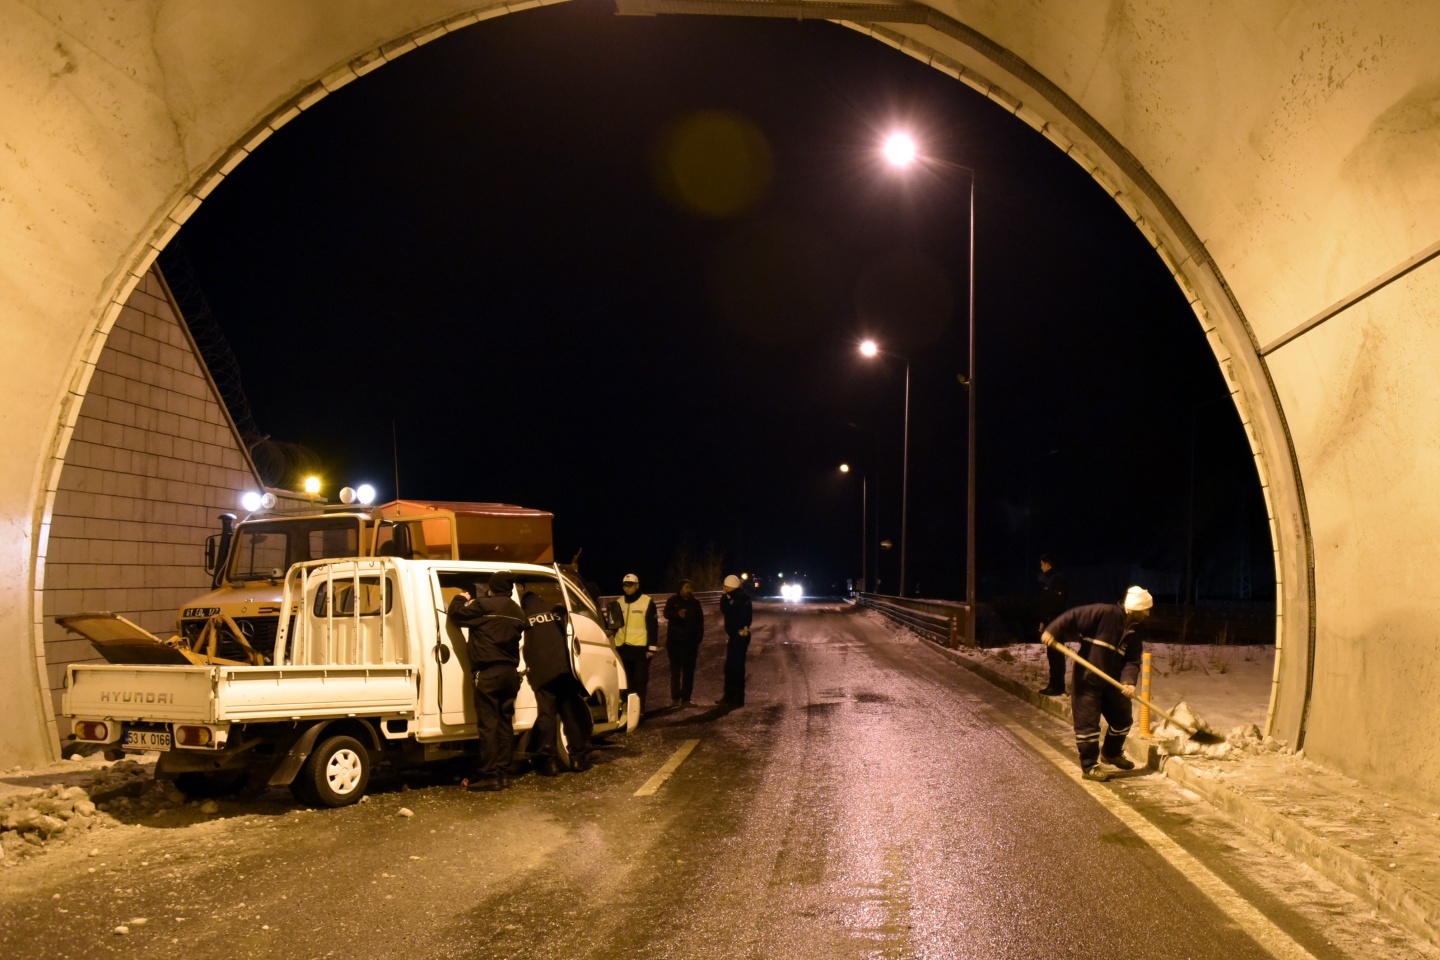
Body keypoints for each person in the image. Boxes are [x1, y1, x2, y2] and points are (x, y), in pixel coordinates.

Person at [1040, 586, 1153, 781]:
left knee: (1123, 719)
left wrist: (1128, 682)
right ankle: (1089, 766)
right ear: (1136, 608)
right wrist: (1053, 630)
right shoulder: (1104, 613)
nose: (1148, 614)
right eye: (1146, 610)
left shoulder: (1135, 631)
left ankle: (1111, 753)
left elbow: (1132, 660)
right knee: (1088, 724)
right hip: (1088, 678)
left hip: (1113, 681)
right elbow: (1073, 616)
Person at [446, 572, 526, 790]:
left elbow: (456, 614)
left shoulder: (484, 605)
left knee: (488, 725)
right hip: (510, 673)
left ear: (492, 587)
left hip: (488, 673)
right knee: (504, 724)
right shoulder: (517, 611)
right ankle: (504, 774)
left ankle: (490, 776)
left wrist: (461, 597)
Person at [520, 589, 593, 775]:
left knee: (547, 715)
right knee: (570, 713)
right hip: (563, 669)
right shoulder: (554, 610)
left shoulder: (523, 616)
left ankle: (549, 762)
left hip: (542, 673)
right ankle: (578, 760)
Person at [611, 573, 658, 712]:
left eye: (630, 585)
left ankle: (639, 710)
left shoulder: (647, 602)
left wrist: (651, 648)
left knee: (640, 681)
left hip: (640, 650)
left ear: (637, 585)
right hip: (622, 649)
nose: (627, 588)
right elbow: (613, 626)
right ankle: (627, 711)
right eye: (625, 585)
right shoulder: (618, 603)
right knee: (625, 682)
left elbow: (653, 627)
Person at [663, 579, 705, 707]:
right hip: (675, 642)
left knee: (689, 672)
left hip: (690, 644)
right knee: (675, 671)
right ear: (680, 588)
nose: (689, 589)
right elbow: (666, 613)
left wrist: (698, 639)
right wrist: (677, 614)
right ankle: (675, 698)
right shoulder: (673, 601)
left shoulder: (695, 603)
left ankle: (686, 699)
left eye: (690, 587)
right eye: (687, 587)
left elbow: (700, 622)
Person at [1036, 554, 1070, 696]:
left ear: (1048, 564)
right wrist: (1043, 620)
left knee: (1056, 655)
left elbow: (1054, 603)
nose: (1041, 567)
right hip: (1050, 621)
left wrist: (1049, 620)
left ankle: (1057, 686)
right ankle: (1053, 684)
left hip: (1055, 622)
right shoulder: (1050, 579)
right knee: (1052, 654)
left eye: (1042, 564)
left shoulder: (1056, 579)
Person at [718, 574, 753, 706]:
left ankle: (733, 699)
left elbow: (725, 609)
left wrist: (723, 596)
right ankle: (732, 697)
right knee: (733, 667)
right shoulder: (742, 596)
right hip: (740, 634)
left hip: (738, 635)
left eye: (725, 586)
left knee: (734, 668)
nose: (724, 588)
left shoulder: (737, 598)